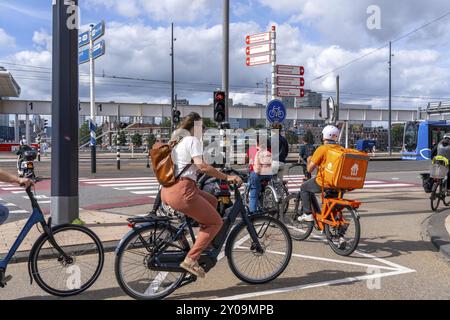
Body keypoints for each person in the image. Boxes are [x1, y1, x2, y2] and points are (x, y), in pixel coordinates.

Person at [160, 112, 242, 279]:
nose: (204, 130)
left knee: (212, 200)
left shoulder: (178, 141)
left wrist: (215, 169)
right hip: (183, 191)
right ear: (195, 127)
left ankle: (203, 240)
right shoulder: (192, 140)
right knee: (216, 222)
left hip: (169, 190)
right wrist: (227, 177)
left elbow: (196, 167)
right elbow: (202, 166)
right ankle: (191, 259)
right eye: (203, 127)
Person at [298, 125, 343, 237]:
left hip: (325, 183)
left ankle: (307, 213)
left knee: (304, 187)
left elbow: (310, 168)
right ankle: (331, 229)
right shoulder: (341, 149)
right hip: (339, 184)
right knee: (332, 206)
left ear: (324, 136)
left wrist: (309, 161)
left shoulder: (322, 149)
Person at [248, 135, 275, 214]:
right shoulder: (269, 150)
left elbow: (249, 159)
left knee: (254, 191)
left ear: (257, 142)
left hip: (257, 173)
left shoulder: (253, 149)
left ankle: (252, 212)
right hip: (268, 173)